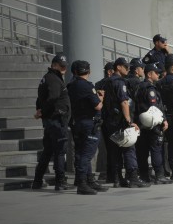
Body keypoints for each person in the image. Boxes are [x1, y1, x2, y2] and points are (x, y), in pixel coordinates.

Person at [101, 57, 150, 188]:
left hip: (109, 121)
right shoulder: (120, 82)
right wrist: (129, 120)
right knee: (129, 149)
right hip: (120, 121)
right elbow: (124, 102)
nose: (128, 69)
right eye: (125, 66)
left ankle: (117, 179)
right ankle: (133, 178)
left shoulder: (105, 82)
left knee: (114, 151)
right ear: (118, 67)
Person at [67, 60, 109, 195]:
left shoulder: (70, 86)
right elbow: (98, 106)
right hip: (89, 124)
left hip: (76, 122)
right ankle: (82, 183)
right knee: (87, 154)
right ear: (89, 72)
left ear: (74, 72)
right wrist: (101, 98)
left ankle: (89, 180)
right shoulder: (87, 86)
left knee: (80, 153)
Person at [32, 53, 72, 191]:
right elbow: (53, 97)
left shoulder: (48, 78)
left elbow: (40, 99)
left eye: (65, 66)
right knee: (60, 151)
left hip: (52, 120)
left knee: (48, 151)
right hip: (56, 120)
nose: (63, 69)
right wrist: (42, 111)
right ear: (54, 65)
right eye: (61, 66)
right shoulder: (53, 79)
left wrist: (40, 110)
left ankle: (37, 180)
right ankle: (60, 182)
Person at [134, 63, 172, 185]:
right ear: (149, 74)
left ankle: (145, 175)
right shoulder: (150, 89)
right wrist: (163, 120)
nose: (158, 75)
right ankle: (159, 175)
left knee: (142, 151)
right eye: (156, 73)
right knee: (156, 149)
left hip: (141, 123)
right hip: (153, 123)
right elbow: (154, 108)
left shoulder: (139, 87)